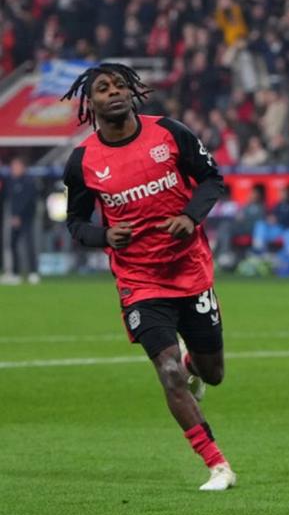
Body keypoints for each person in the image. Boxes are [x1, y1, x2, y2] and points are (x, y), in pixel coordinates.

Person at [61, 63, 236, 491]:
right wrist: (104, 235)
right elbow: (76, 223)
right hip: (139, 282)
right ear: (91, 102)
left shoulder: (169, 133)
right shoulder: (83, 161)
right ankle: (218, 465)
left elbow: (212, 179)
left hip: (191, 271)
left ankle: (194, 364)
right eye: (103, 88)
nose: (114, 92)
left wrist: (190, 217)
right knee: (168, 371)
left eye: (120, 85)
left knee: (212, 373)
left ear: (132, 93)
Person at [4, 157, 40, 284]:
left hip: (27, 218)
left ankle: (33, 273)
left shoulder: (29, 181)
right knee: (12, 244)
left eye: (15, 166)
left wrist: (19, 216)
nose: (13, 169)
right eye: (12, 167)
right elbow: (10, 200)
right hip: (14, 218)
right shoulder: (11, 181)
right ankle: (15, 273)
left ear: (22, 167)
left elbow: (28, 201)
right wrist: (14, 216)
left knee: (29, 245)